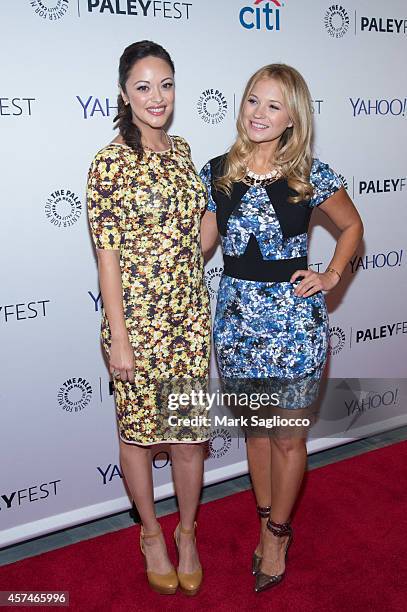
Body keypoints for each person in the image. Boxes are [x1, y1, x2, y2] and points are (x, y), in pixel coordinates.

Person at [200, 63, 363, 593]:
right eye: (253, 100)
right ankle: (264, 512)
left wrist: (332, 275)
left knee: (289, 439)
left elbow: (352, 225)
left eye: (273, 105)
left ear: (293, 116)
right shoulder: (216, 171)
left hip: (294, 324)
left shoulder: (311, 173)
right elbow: (200, 247)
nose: (260, 113)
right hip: (236, 322)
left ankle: (277, 534)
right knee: (256, 433)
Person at [87, 40, 211, 596]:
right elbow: (107, 260)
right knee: (138, 438)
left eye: (165, 84)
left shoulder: (184, 151)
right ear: (123, 94)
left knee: (187, 439)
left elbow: (193, 240)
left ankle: (187, 532)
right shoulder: (107, 166)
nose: (156, 97)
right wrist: (119, 340)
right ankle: (152, 534)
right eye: (143, 86)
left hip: (187, 322)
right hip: (136, 328)